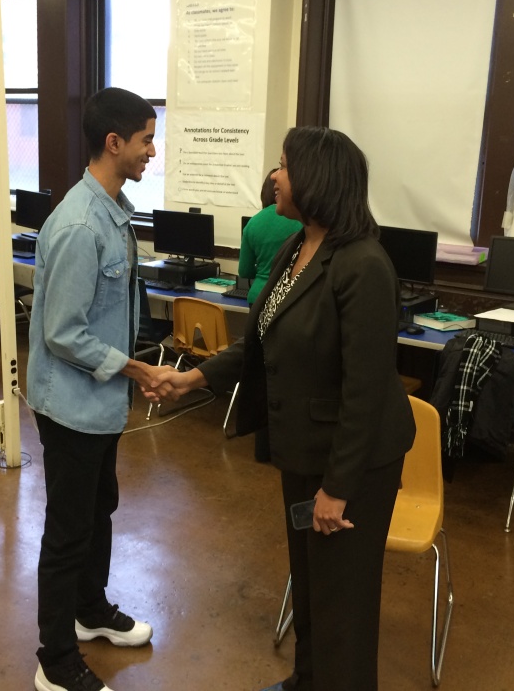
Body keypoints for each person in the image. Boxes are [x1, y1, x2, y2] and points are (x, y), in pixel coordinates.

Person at [148, 126, 416, 691]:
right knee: (311, 581)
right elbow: (263, 337)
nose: (275, 177)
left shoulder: (363, 265)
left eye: (285, 166)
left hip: (353, 464)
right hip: (302, 449)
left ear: (317, 179)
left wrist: (337, 488)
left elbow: (366, 391)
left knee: (343, 600)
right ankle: (307, 679)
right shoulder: (299, 245)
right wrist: (193, 377)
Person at [27, 87, 174, 691]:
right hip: (70, 407)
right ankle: (55, 660)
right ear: (113, 143)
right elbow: (63, 333)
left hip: (100, 404)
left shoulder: (113, 213)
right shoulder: (81, 225)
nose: (151, 151)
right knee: (68, 531)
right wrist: (137, 370)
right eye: (145, 140)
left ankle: (89, 611)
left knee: (99, 509)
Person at [237, 169, 303, 462]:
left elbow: (244, 271)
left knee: (261, 371)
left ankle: (262, 445)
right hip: (290, 300)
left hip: (258, 299)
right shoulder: (299, 224)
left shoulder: (254, 223)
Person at [238, 168, 302, 305]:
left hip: (258, 296)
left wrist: (263, 271)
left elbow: (244, 271)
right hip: (288, 297)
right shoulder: (300, 220)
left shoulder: (253, 223)